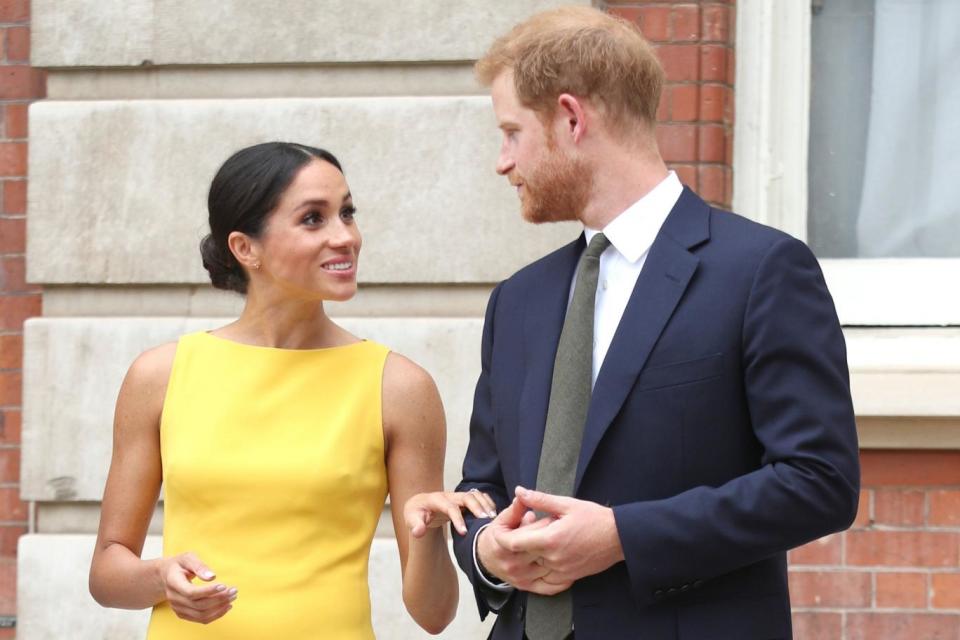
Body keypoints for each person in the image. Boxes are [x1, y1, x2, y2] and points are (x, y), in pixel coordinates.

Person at [453, 7, 860, 639]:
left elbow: (819, 483)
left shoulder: (760, 271)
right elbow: (480, 487)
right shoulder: (517, 301)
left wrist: (623, 536)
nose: (503, 162)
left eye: (511, 132)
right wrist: (486, 552)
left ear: (570, 118)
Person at [88, 141, 497, 639]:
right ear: (245, 248)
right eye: (313, 219)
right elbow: (108, 571)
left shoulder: (399, 387)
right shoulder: (160, 376)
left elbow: (433, 615)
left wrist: (429, 533)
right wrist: (160, 579)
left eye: (347, 213)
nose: (345, 236)